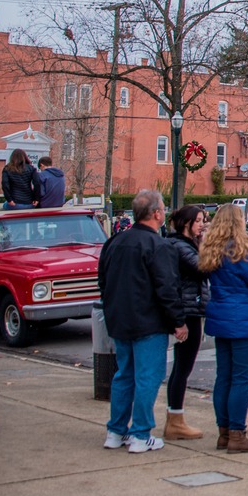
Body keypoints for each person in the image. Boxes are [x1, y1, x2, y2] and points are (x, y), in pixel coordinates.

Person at [98, 190, 186, 453]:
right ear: (156, 214)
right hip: (149, 322)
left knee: (125, 375)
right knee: (148, 377)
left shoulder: (114, 242)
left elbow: (103, 280)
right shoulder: (159, 246)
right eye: (162, 210)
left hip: (120, 319)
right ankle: (140, 433)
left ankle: (116, 431)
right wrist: (179, 322)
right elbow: (167, 289)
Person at [199, 204, 248, 451]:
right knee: (242, 380)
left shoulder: (213, 251)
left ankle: (224, 432)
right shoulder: (243, 252)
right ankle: (236, 433)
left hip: (221, 319)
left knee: (224, 377)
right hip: (245, 321)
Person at [163, 205, 209, 441]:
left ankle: (175, 417)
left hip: (190, 308)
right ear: (186, 223)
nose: (202, 224)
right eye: (198, 221)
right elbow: (203, 268)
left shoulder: (182, 244)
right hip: (187, 311)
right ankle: (175, 419)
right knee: (182, 367)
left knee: (183, 367)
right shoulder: (179, 245)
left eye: (203, 220)